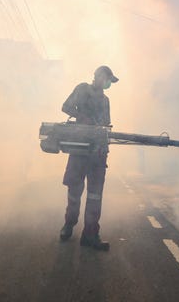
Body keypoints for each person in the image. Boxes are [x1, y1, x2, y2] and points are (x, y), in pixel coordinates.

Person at [59, 65, 119, 251]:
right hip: (79, 149)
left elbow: (106, 123)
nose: (108, 83)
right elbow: (66, 106)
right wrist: (82, 116)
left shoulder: (106, 100)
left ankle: (90, 235)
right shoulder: (82, 89)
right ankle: (69, 224)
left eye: (110, 81)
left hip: (98, 152)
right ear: (98, 76)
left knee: (95, 195)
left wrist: (105, 136)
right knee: (74, 191)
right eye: (108, 79)